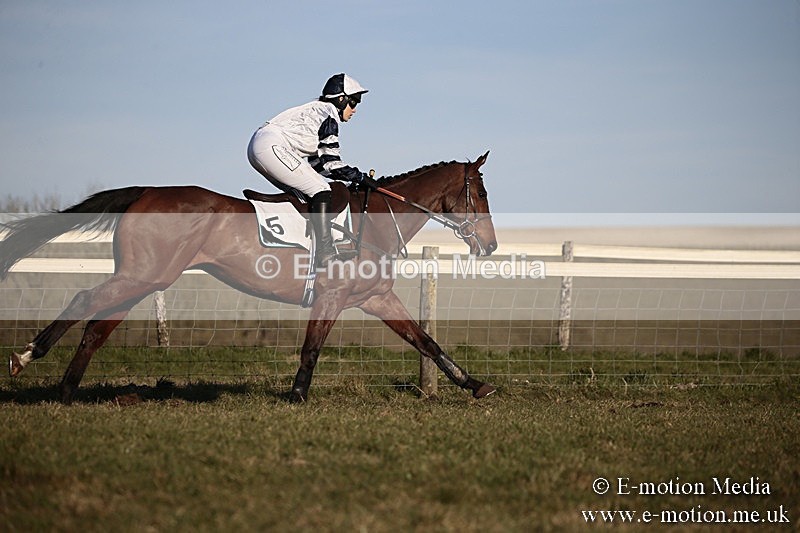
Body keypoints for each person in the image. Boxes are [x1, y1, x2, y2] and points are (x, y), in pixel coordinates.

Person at [247, 73, 373, 268]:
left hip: (264, 145)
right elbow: (332, 163)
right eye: (354, 102)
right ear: (341, 99)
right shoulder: (329, 116)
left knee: (306, 193)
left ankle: (298, 245)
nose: (355, 109)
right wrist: (360, 177)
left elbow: (319, 165)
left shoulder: (319, 111)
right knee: (322, 190)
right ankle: (325, 253)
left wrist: (351, 179)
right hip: (271, 146)